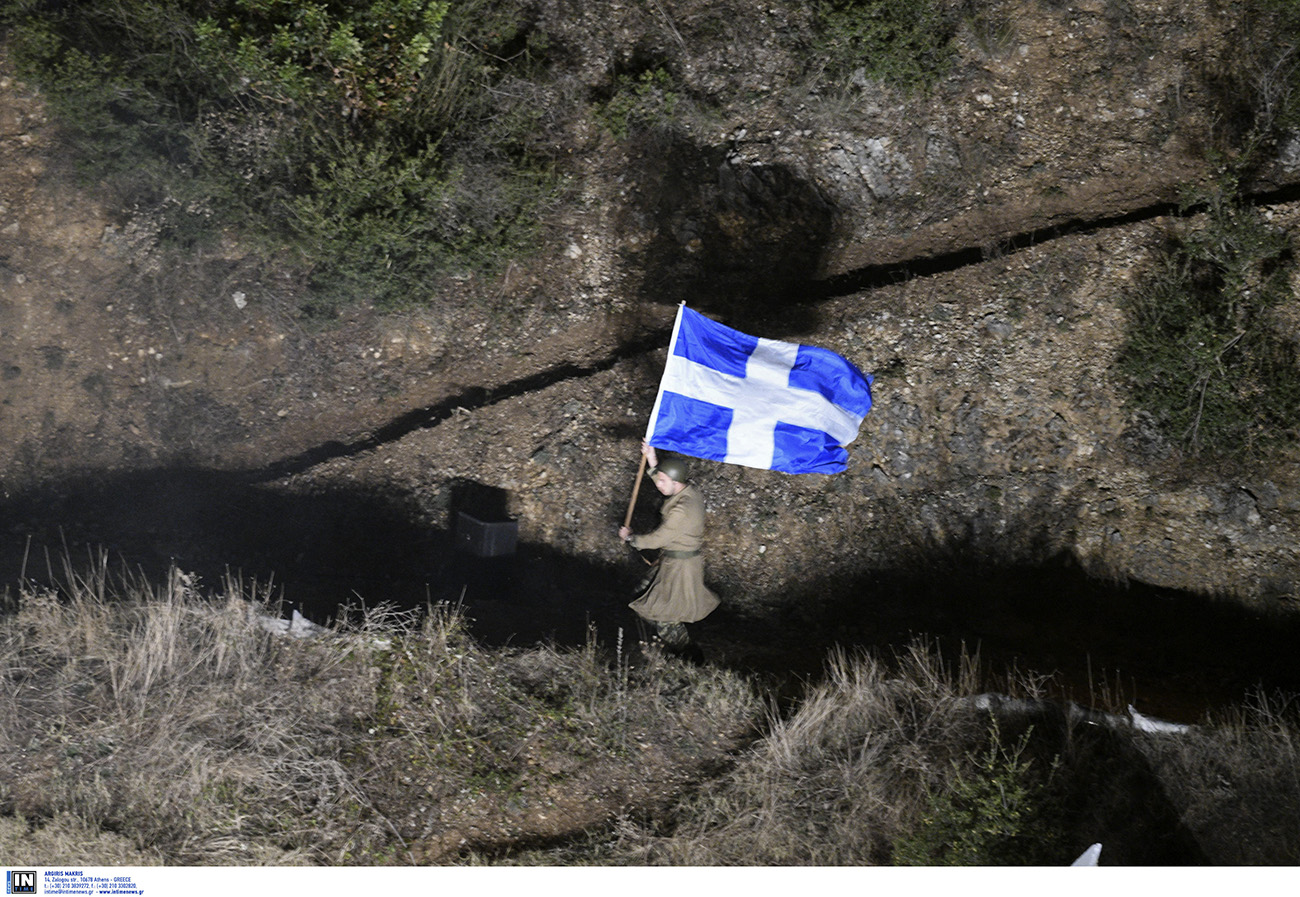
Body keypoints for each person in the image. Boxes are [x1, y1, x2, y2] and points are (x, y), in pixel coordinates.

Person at [618, 441, 719, 653]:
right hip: (671, 560)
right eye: (659, 481)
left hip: (679, 567)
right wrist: (652, 460)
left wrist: (631, 539)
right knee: (641, 592)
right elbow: (664, 480)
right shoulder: (688, 491)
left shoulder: (682, 509)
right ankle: (665, 637)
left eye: (663, 481)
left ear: (675, 481)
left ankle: (687, 652)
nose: (659, 485)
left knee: (664, 614)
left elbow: (658, 539)